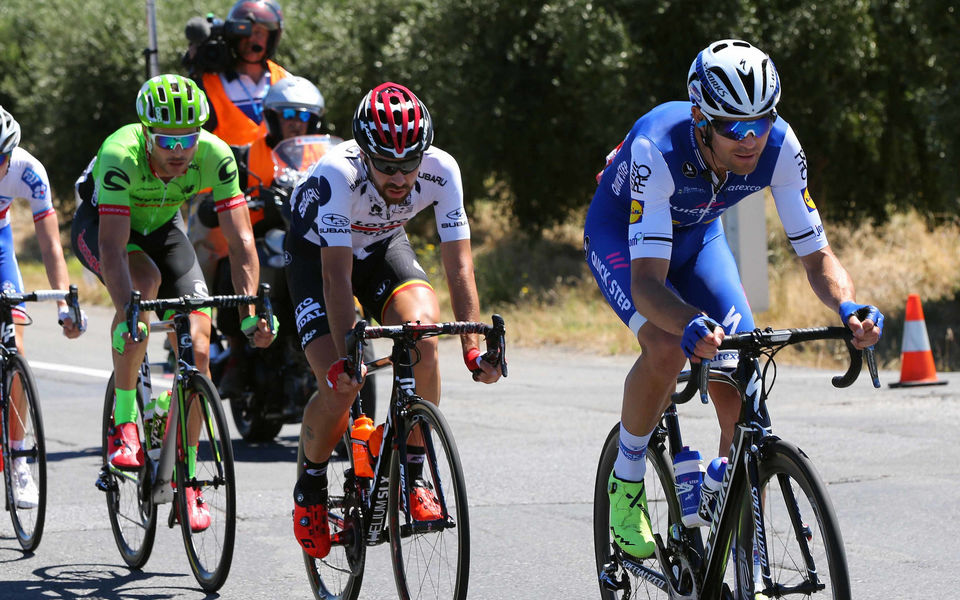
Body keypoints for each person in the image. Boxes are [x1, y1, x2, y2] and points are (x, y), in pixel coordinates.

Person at [583, 39, 884, 560]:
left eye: (760, 121)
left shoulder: (781, 147)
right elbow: (649, 286)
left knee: (742, 375)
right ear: (701, 117)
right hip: (623, 243)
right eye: (732, 127)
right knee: (664, 344)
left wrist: (848, 309)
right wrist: (690, 323)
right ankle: (627, 479)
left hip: (699, 239)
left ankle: (748, 553)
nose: (749, 140)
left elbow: (818, 259)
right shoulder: (658, 146)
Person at [284, 82, 502, 559]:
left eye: (410, 164)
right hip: (317, 255)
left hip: (383, 246)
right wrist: (347, 357)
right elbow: (336, 277)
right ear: (364, 155)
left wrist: (471, 346)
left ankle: (414, 472)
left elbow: (459, 265)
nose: (401, 177)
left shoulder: (442, 171)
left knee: (423, 334)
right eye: (386, 165)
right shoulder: (336, 176)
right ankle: (312, 487)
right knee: (339, 385)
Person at [70, 74, 276, 530]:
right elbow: (111, 245)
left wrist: (248, 313)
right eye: (167, 140)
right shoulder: (119, 152)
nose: (180, 150)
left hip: (165, 229)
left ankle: (186, 480)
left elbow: (242, 239)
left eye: (188, 137)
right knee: (144, 281)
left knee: (198, 347)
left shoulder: (215, 155)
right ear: (146, 132)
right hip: (105, 227)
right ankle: (125, 419)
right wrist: (130, 311)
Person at [189, 75, 328, 397]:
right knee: (231, 269)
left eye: (304, 116)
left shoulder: (324, 155)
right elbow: (215, 193)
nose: (296, 123)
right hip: (259, 234)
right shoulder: (244, 155)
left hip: (308, 237)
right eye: (289, 115)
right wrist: (226, 201)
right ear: (273, 117)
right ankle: (237, 352)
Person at [0, 106, 86, 509]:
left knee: (14, 345)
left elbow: (52, 245)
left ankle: (18, 460)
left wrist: (64, 302)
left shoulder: (27, 169)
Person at [185, 0, 291, 146]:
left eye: (259, 33)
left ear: (271, 38)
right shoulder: (208, 83)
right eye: (245, 32)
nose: (251, 40)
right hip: (227, 168)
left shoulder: (285, 81)